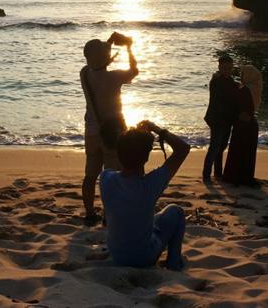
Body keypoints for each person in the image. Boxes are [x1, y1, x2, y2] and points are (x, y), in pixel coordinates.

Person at [99, 120, 190, 270]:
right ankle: (174, 263)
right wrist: (157, 130)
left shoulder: (105, 178)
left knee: (145, 218)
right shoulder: (150, 185)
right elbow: (183, 149)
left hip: (117, 254)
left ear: (118, 152)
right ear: (146, 157)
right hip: (143, 257)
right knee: (176, 211)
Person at [80, 32, 138, 223]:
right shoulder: (114, 77)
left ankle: (89, 213)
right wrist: (128, 48)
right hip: (112, 132)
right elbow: (134, 71)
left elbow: (96, 64)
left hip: (92, 132)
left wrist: (109, 45)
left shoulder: (84, 74)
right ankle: (108, 215)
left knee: (90, 175)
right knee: (112, 176)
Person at [223, 65, 262, 186]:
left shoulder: (245, 90)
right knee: (248, 153)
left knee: (238, 151)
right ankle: (246, 176)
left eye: (243, 74)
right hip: (252, 123)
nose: (241, 76)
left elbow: (238, 106)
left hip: (242, 124)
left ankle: (235, 176)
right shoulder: (256, 88)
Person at [202, 55, 239, 182]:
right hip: (217, 119)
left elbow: (233, 91)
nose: (227, 70)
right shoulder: (216, 81)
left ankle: (218, 173)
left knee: (221, 147)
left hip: (227, 119)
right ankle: (206, 175)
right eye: (224, 68)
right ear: (219, 67)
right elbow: (225, 98)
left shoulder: (229, 80)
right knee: (215, 147)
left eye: (229, 68)